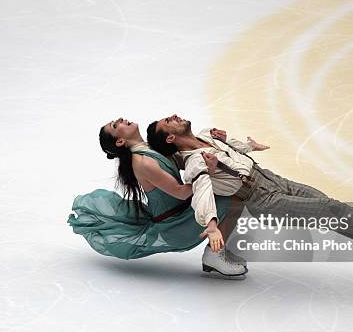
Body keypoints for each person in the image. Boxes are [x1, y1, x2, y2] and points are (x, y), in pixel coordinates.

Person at [146, 114, 353, 275]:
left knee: (334, 212)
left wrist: (249, 145)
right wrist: (211, 223)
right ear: (170, 138)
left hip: (272, 179)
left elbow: (232, 146)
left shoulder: (207, 134)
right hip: (264, 199)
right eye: (166, 122)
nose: (172, 116)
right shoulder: (196, 162)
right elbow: (200, 191)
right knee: (331, 210)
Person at [67, 117, 247, 277]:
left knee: (230, 191)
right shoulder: (143, 162)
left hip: (183, 212)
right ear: (121, 141)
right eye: (115, 125)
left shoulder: (150, 149)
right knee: (232, 196)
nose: (121, 119)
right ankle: (214, 255)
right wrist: (209, 173)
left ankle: (216, 251)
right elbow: (181, 191)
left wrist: (211, 139)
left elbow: (187, 157)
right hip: (176, 224)